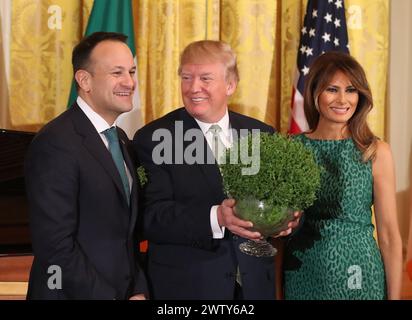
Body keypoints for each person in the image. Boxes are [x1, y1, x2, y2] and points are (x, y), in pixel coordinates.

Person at [133, 40, 299, 300]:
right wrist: (217, 218)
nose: (193, 87)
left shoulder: (262, 135)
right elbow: (151, 218)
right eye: (186, 77)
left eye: (205, 78)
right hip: (187, 289)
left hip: (255, 288)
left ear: (230, 85)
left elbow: (285, 203)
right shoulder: (154, 138)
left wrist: (287, 222)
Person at [25, 32, 147, 300]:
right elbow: (55, 247)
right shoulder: (56, 142)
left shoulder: (122, 141)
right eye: (117, 72)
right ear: (84, 80)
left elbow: (125, 235)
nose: (129, 82)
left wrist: (138, 288)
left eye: (131, 71)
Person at [283, 51, 403, 300]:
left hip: (360, 277)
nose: (342, 99)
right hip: (303, 274)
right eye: (332, 89)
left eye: (350, 90)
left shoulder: (375, 151)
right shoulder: (292, 148)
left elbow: (390, 235)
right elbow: (278, 233)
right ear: (315, 92)